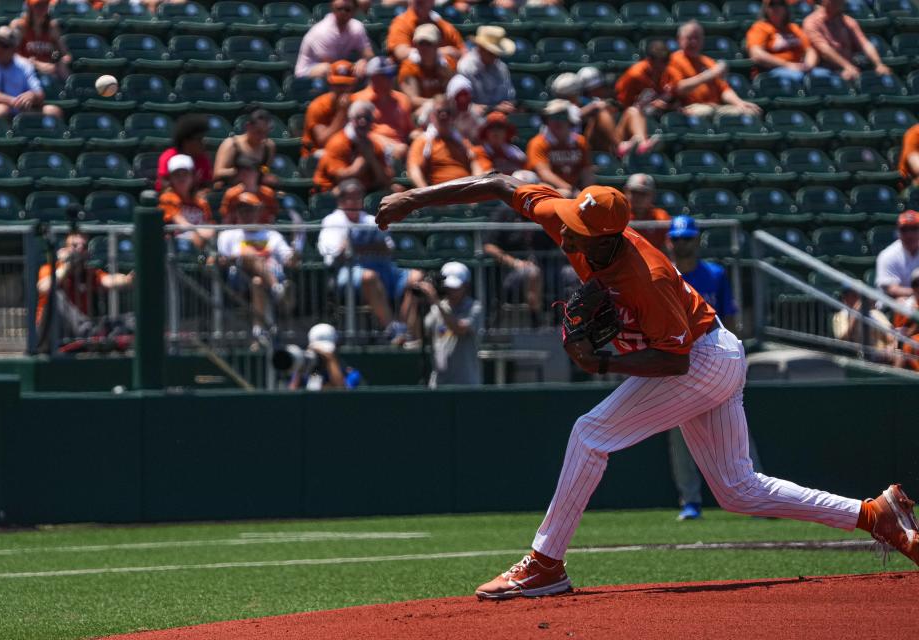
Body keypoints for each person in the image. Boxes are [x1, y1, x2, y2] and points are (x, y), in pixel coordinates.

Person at [375, 172, 919, 599]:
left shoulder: (648, 277)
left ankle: (545, 563)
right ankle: (875, 514)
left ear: (612, 238)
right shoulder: (567, 217)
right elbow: (496, 180)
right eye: (570, 225)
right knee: (737, 489)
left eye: (583, 236)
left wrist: (605, 365)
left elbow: (675, 363)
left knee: (590, 433)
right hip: (711, 351)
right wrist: (412, 200)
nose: (567, 235)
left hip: (701, 359)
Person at [666, 215, 769, 521]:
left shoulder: (714, 274)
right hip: (680, 365)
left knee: (737, 433)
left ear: (697, 240)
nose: (682, 243)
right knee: (681, 438)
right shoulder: (665, 276)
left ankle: (758, 497)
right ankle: (691, 501)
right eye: (677, 238)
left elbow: (730, 319)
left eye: (687, 238)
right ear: (670, 241)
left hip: (714, 362)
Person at [317, 179, 423, 342]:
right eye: (349, 197)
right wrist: (367, 247)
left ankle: (405, 329)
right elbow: (335, 252)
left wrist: (357, 248)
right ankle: (391, 329)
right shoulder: (333, 221)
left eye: (358, 197)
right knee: (369, 277)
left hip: (383, 268)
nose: (354, 201)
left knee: (417, 277)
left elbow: (388, 248)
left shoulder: (370, 219)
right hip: (349, 273)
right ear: (341, 201)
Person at [217, 192, 297, 344]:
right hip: (239, 279)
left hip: (270, 275)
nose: (246, 214)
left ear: (258, 211)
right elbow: (223, 260)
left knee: (257, 282)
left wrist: (294, 254)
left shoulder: (272, 235)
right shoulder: (227, 235)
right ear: (236, 213)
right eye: (242, 210)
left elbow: (288, 259)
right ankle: (278, 290)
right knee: (249, 256)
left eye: (250, 209)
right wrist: (246, 255)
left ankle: (259, 332)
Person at [35, 231, 134, 344]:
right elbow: (44, 287)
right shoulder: (51, 269)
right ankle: (88, 331)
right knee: (57, 295)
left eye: (84, 246)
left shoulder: (89, 273)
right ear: (65, 249)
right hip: (50, 333)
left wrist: (129, 279)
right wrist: (67, 266)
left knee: (128, 321)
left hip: (78, 332)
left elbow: (109, 281)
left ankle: (92, 332)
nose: (79, 250)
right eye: (75, 246)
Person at [483, 170, 548, 326]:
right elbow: (489, 246)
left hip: (546, 266)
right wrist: (515, 263)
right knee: (532, 273)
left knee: (572, 274)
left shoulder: (541, 211)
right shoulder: (503, 213)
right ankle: (537, 320)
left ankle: (573, 322)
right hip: (510, 273)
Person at [668, 21, 763, 118]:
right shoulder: (673, 60)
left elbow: (724, 89)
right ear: (679, 40)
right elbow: (679, 88)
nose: (693, 42)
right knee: (706, 111)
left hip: (715, 108)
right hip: (690, 108)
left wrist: (739, 103)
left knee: (751, 112)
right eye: (689, 38)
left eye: (697, 38)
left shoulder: (708, 62)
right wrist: (710, 74)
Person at [555, 70, 656, 158]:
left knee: (633, 111)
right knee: (601, 112)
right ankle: (619, 145)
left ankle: (642, 144)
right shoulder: (557, 107)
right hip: (584, 147)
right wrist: (594, 107)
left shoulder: (586, 102)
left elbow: (614, 110)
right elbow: (572, 116)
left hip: (606, 141)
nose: (576, 96)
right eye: (573, 93)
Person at [0, 26, 62, 118]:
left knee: (53, 111)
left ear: (14, 49)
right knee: (2, 110)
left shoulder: (24, 65)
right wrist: (13, 101)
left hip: (18, 110)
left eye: (4, 45)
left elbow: (39, 94)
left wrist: (33, 96)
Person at [418, 261, 484, 387]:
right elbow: (418, 333)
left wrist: (436, 302)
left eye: (456, 287)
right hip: (439, 384)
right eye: (449, 287)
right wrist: (415, 303)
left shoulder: (474, 307)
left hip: (466, 384)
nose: (452, 291)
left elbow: (460, 329)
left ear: (466, 286)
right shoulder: (437, 308)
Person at [314, 100, 394, 193]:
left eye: (367, 118)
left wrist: (371, 158)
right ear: (351, 119)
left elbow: (385, 181)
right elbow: (341, 179)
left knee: (396, 189)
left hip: (364, 191)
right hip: (332, 192)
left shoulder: (372, 144)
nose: (363, 122)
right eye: (358, 118)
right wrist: (363, 160)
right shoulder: (338, 143)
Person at [803, 0, 891, 82]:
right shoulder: (811, 22)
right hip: (825, 69)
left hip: (848, 67)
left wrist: (878, 64)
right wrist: (847, 66)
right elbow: (825, 50)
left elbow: (865, 44)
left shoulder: (848, 21)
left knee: (884, 78)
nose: (839, 3)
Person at [407, 96, 483, 188]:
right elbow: (414, 170)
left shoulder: (461, 142)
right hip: (441, 194)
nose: (444, 115)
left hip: (467, 193)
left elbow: (475, 165)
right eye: (439, 112)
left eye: (448, 112)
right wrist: (426, 194)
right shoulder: (423, 141)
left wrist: (476, 190)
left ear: (453, 117)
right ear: (432, 116)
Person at [525, 99, 592, 198]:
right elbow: (544, 173)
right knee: (564, 194)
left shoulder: (580, 142)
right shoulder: (538, 143)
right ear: (546, 120)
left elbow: (586, 172)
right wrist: (571, 189)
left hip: (575, 190)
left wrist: (588, 193)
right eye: (553, 117)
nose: (558, 121)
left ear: (570, 120)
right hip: (547, 188)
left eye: (562, 116)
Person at [351, 56, 414, 158]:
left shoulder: (403, 99)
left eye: (392, 74)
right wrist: (387, 143)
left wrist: (420, 136)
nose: (391, 79)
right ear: (373, 77)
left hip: (401, 148)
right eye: (387, 75)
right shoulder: (358, 100)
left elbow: (409, 130)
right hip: (371, 148)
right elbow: (355, 132)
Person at [294, 0, 373, 78]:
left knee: (369, 67)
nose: (343, 13)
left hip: (338, 67)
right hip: (307, 72)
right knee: (326, 69)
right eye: (339, 9)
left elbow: (369, 54)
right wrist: (355, 66)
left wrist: (363, 61)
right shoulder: (322, 31)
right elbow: (334, 65)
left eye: (347, 10)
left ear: (354, 11)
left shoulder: (357, 27)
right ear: (332, 9)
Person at [746, 0, 817, 81]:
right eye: (772, 4)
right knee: (797, 77)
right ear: (765, 9)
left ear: (786, 8)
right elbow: (756, 54)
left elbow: (810, 49)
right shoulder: (760, 28)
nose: (777, 7)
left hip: (798, 69)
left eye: (781, 4)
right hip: (772, 70)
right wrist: (787, 65)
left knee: (823, 75)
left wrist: (808, 66)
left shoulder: (794, 28)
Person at [159, 154, 215, 252]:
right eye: (177, 174)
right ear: (170, 179)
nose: (181, 178)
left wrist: (211, 232)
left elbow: (209, 225)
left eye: (185, 174)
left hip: (202, 243)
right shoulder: (167, 198)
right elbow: (181, 223)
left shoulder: (201, 203)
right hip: (175, 246)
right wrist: (199, 231)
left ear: (193, 177)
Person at [302, 60, 357, 158]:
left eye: (346, 85)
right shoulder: (318, 105)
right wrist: (342, 113)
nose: (342, 89)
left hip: (346, 148)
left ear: (353, 85)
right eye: (338, 85)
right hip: (318, 153)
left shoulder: (357, 103)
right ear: (330, 84)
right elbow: (323, 141)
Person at [213, 107, 278, 189]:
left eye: (265, 133)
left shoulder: (268, 147)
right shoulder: (232, 144)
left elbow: (265, 169)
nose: (262, 137)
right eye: (258, 132)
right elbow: (217, 173)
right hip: (232, 189)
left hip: (255, 189)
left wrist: (266, 176)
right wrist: (240, 171)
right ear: (248, 126)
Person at [399, 24, 456, 116]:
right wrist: (437, 103)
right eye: (421, 43)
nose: (424, 48)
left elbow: (455, 92)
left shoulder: (447, 64)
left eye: (429, 44)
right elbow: (413, 100)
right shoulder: (409, 67)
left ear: (438, 45)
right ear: (415, 45)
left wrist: (447, 74)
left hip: (446, 110)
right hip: (420, 113)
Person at [456, 26, 516, 113]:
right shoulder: (465, 67)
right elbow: (465, 106)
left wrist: (509, 105)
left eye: (497, 53)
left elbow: (509, 96)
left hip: (500, 118)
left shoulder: (501, 67)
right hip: (474, 122)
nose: (495, 57)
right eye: (491, 53)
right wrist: (495, 108)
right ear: (480, 48)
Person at [287, 323, 363, 390]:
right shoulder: (306, 372)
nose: (321, 356)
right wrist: (301, 365)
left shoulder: (351, 374)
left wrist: (330, 360)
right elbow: (292, 397)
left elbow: (342, 393)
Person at [386, 0, 466, 63]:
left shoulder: (443, 25)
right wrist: (441, 52)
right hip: (414, 77)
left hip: (444, 77)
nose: (419, 1)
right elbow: (401, 53)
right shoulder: (401, 22)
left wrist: (455, 54)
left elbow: (463, 53)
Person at [10, 0, 71, 80]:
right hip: (25, 71)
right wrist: (35, 64)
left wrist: (59, 62)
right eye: (38, 6)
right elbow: (11, 55)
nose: (43, 10)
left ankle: (70, 90)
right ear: (29, 8)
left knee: (61, 67)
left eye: (45, 5)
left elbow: (66, 55)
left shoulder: (52, 28)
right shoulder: (19, 26)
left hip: (50, 72)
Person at [156, 114, 213, 193]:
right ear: (187, 142)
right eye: (199, 139)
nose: (204, 142)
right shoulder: (168, 157)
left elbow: (207, 185)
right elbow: (165, 188)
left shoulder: (203, 158)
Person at [876, 211, 919, 302]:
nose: (909, 234)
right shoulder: (888, 255)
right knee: (901, 302)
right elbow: (892, 289)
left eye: (914, 228)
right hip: (892, 304)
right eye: (904, 229)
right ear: (898, 232)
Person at [624, 173, 671, 254]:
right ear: (625, 192)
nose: (638, 197)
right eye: (634, 192)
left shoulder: (661, 217)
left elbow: (668, 248)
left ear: (652, 195)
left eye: (643, 193)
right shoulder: (619, 215)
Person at [444, 74, 483, 142]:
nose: (463, 100)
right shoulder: (440, 115)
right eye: (459, 95)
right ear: (450, 97)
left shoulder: (474, 116)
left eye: (466, 95)